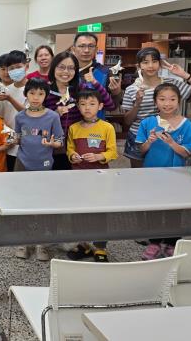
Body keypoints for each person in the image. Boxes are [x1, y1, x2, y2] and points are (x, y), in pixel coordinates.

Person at [122, 47, 191, 168]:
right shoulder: (131, 89)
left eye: (154, 61)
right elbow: (127, 121)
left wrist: (183, 74)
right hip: (139, 137)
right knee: (138, 174)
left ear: (160, 64)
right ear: (139, 66)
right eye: (145, 62)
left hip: (167, 134)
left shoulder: (171, 84)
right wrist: (137, 104)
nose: (151, 65)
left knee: (168, 170)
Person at [136, 83, 191, 260]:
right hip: (152, 174)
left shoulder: (186, 125)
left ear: (179, 101)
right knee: (153, 208)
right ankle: (154, 243)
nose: (167, 103)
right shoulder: (148, 123)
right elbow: (141, 151)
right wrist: (149, 141)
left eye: (172, 99)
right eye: (162, 99)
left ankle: (172, 243)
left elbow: (186, 152)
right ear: (155, 102)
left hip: (176, 175)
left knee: (174, 210)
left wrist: (171, 143)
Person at [13, 78, 63, 262]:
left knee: (43, 204)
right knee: (22, 203)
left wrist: (52, 143)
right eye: (32, 93)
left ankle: (43, 244)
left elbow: (60, 141)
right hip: (22, 163)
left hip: (44, 165)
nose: (36, 97)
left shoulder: (53, 116)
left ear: (46, 96)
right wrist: (10, 139)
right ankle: (23, 242)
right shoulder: (20, 117)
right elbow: (17, 138)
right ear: (26, 94)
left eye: (40, 94)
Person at [66, 89, 118, 263]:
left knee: (100, 212)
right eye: (83, 104)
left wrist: (98, 156)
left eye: (92, 104)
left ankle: (100, 247)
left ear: (100, 106)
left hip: (100, 178)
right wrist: (72, 155)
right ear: (78, 106)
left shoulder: (107, 127)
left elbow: (113, 152)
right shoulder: (74, 128)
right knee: (80, 210)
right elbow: (70, 148)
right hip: (78, 177)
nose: (87, 108)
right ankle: (84, 244)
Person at [44, 52, 115, 170]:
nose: (66, 72)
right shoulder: (45, 91)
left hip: (76, 147)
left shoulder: (80, 88)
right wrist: (55, 114)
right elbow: (37, 119)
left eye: (71, 68)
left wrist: (94, 83)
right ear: (53, 68)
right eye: (61, 67)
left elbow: (109, 105)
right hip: (51, 146)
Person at [0, 51, 28, 172]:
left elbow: (30, 114)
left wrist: (10, 99)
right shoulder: (5, 90)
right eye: (11, 68)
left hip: (27, 145)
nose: (15, 71)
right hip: (9, 145)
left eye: (18, 67)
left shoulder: (33, 88)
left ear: (26, 66)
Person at [71, 33, 123, 110]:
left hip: (96, 117)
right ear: (73, 49)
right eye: (82, 46)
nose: (86, 50)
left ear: (96, 49)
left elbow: (112, 107)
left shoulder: (106, 72)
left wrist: (116, 93)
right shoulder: (65, 72)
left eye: (91, 46)